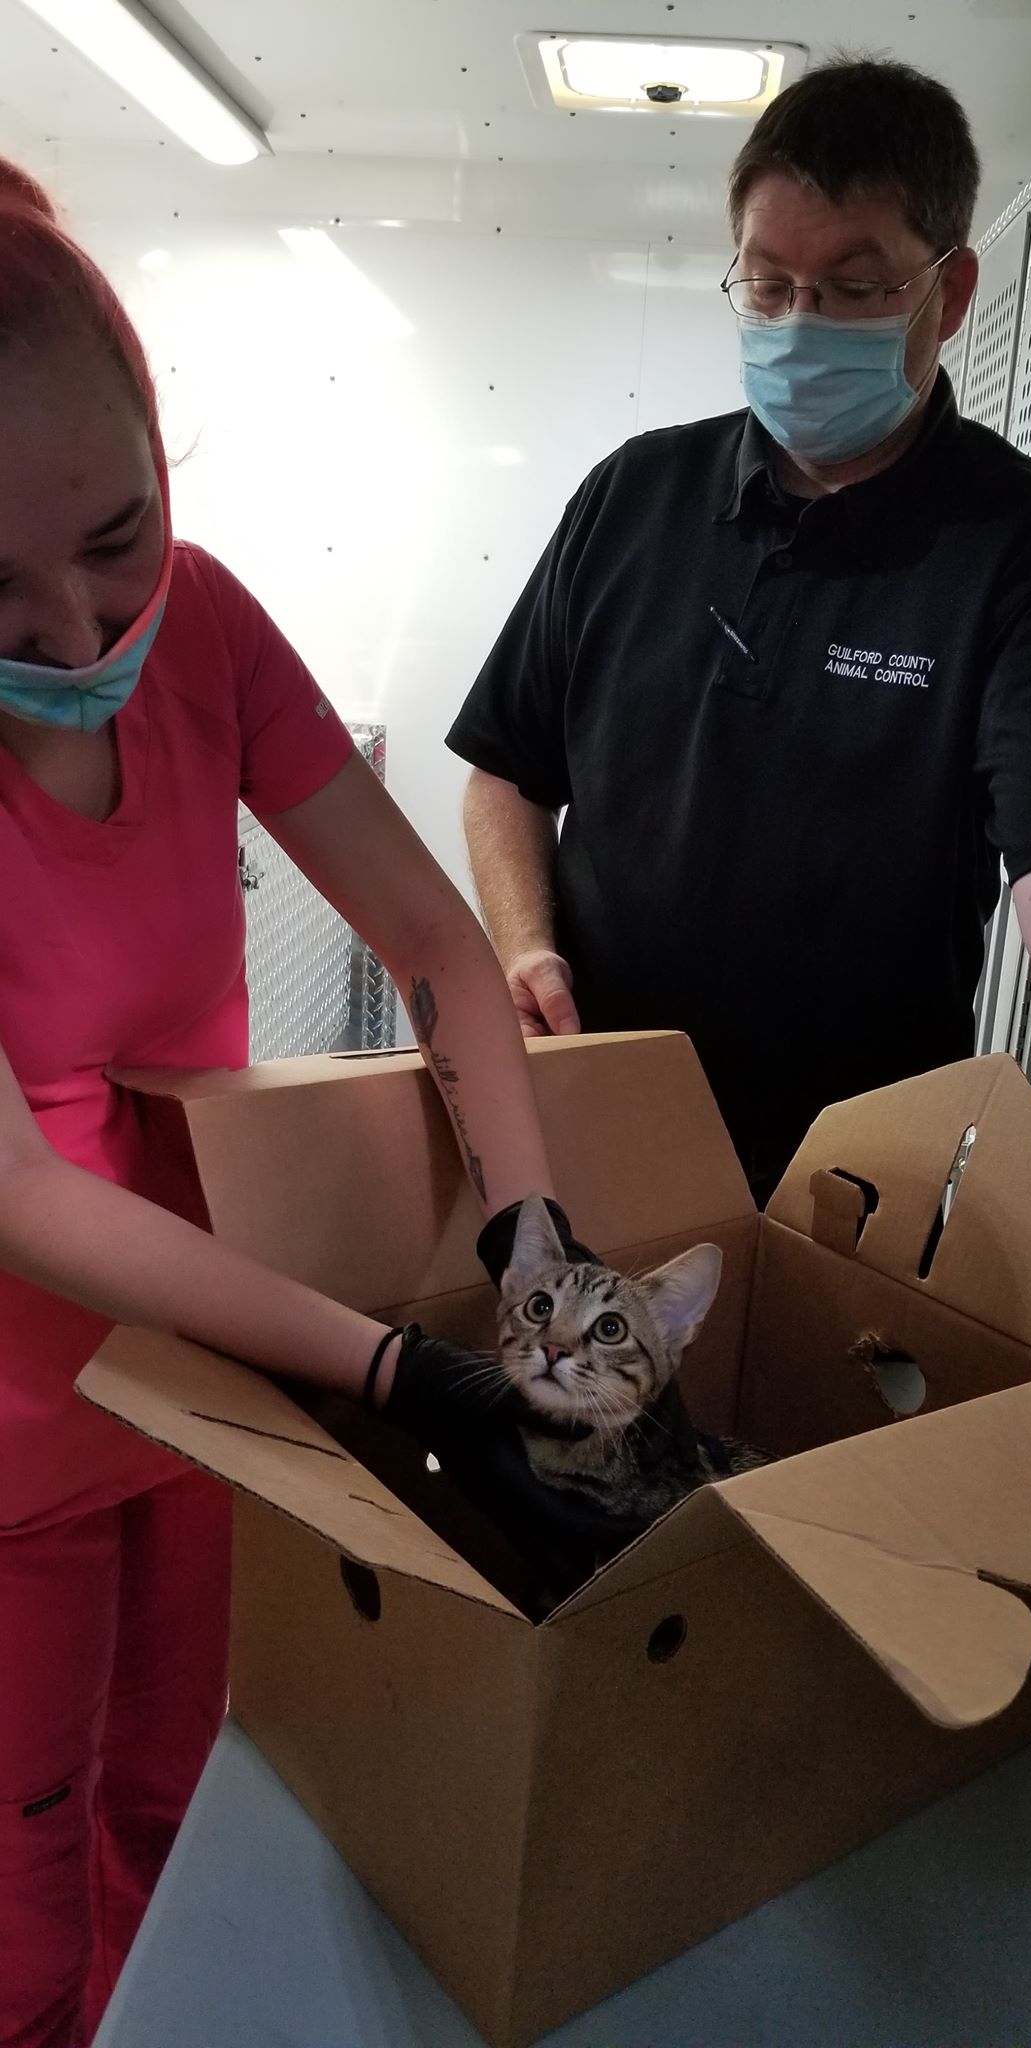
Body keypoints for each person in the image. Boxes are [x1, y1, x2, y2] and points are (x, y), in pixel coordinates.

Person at [0, 160, 601, 2048]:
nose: (87, 626)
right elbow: (17, 1189)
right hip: (17, 1432)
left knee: (184, 1811)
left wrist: (531, 1237)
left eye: (120, 537)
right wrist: (398, 1371)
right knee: (15, 1904)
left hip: (213, 1393)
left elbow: (431, 941)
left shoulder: (214, 632)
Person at [449, 56, 1031, 1204]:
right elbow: (506, 773)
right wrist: (525, 947)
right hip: (590, 1119)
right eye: (766, 286)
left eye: (852, 287)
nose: (796, 324)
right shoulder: (634, 494)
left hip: (847, 1173)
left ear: (949, 292)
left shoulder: (1019, 546)